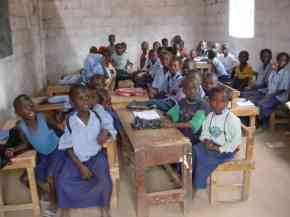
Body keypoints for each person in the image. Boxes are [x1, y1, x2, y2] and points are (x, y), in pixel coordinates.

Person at [57, 85, 112, 217]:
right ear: (72, 102)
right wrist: (81, 166)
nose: (85, 101)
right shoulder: (70, 121)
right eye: (80, 98)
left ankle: (105, 207)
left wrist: (106, 132)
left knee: (104, 180)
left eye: (87, 97)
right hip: (77, 158)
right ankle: (65, 207)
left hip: (96, 156)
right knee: (62, 181)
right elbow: (68, 147)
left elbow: (110, 127)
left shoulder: (97, 116)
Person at [8, 95, 65, 214]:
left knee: (50, 175)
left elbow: (60, 130)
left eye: (30, 105)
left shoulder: (44, 117)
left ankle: (54, 204)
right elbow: (26, 144)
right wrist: (13, 149)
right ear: (17, 112)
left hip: (57, 149)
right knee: (24, 179)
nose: (29, 109)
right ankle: (45, 194)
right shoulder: (21, 126)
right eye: (24, 107)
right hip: (42, 154)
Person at [192, 86, 242, 189]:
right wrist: (206, 140)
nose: (217, 104)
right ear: (209, 101)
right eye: (214, 100)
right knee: (192, 150)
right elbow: (205, 132)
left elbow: (235, 142)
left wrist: (217, 148)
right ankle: (188, 177)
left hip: (225, 150)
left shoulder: (233, 120)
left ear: (227, 103)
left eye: (222, 101)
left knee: (204, 161)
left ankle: (197, 184)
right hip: (210, 145)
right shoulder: (210, 116)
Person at [162, 78, 210, 144]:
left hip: (193, 141)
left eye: (195, 88)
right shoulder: (182, 102)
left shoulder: (203, 105)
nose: (192, 91)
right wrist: (167, 119)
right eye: (189, 89)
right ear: (184, 91)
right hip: (179, 135)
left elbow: (193, 124)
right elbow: (170, 114)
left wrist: (172, 125)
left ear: (199, 90)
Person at [249, 52, 290, 128]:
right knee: (254, 99)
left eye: (285, 60)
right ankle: (256, 119)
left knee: (262, 103)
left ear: (287, 62)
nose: (282, 61)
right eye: (280, 59)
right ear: (277, 60)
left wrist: (269, 96)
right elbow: (268, 85)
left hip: (279, 97)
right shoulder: (274, 71)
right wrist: (263, 91)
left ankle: (262, 123)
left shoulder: (286, 73)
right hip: (269, 93)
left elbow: (282, 90)